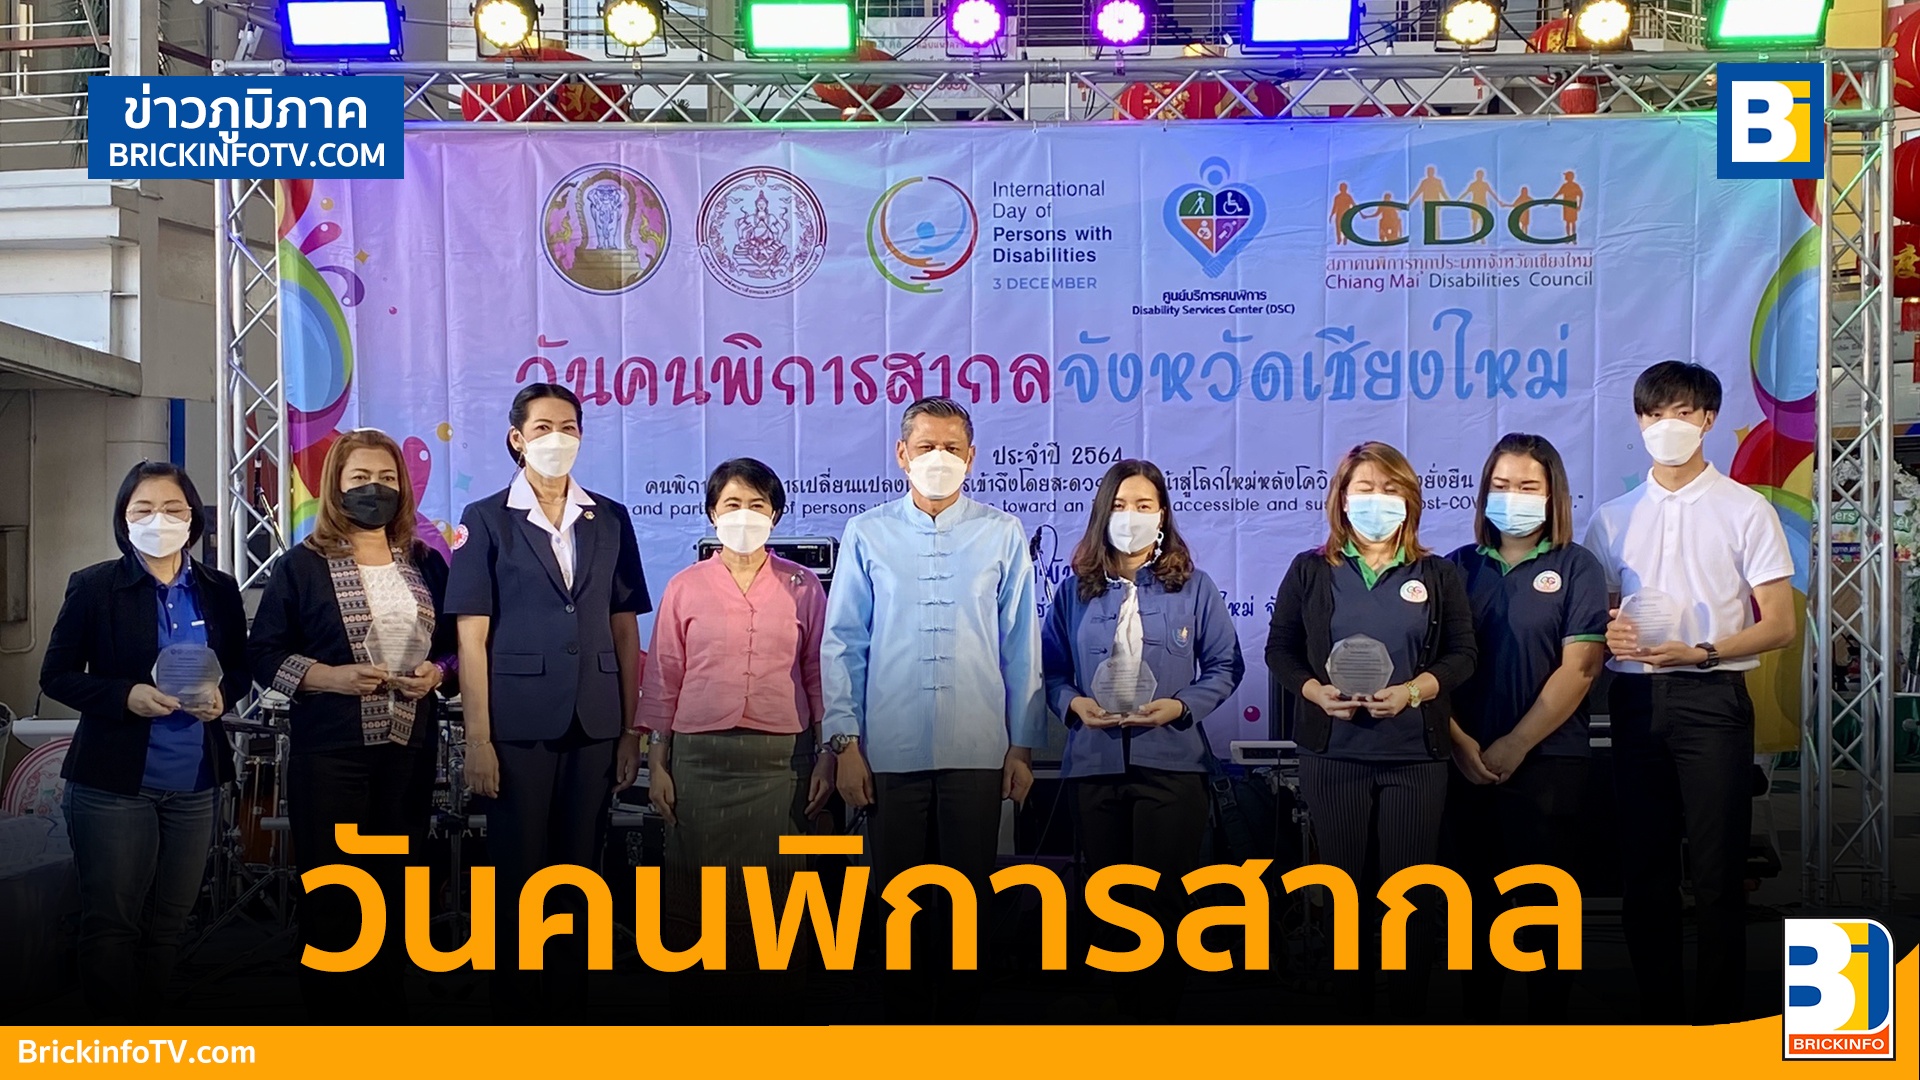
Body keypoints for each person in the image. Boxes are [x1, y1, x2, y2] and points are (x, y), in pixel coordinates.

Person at [820, 395, 1045, 1021]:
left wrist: (1022, 747)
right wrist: (845, 745)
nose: (938, 458)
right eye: (926, 447)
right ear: (902, 454)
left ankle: (962, 1031)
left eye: (952, 448)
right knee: (899, 904)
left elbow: (1021, 646)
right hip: (889, 749)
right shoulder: (868, 532)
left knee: (967, 902)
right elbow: (842, 644)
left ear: (972, 457)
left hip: (978, 748)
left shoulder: (1001, 531)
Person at [1584, 361, 1795, 1024]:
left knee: (1716, 872)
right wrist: (1612, 633)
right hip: (1635, 702)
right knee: (1644, 872)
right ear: (1639, 421)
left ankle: (1717, 1019)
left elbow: (1780, 625)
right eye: (1653, 414)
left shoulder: (1746, 509)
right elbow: (1600, 618)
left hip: (1713, 699)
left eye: (1680, 412)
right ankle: (1658, 1017)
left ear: (1707, 419)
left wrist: (1700, 652)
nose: (1665, 425)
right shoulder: (1611, 518)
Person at [445, 382, 650, 1021]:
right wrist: (479, 740)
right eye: (542, 428)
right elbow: (471, 639)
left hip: (595, 722)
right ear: (517, 439)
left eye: (568, 427)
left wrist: (631, 730)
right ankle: (516, 1017)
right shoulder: (485, 518)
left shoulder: (609, 517)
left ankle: (570, 1015)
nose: (557, 438)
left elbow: (625, 629)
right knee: (518, 876)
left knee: (580, 875)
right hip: (517, 726)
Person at [248, 429, 456, 1022]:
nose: (374, 488)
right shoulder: (301, 565)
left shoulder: (425, 562)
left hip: (407, 753)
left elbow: (454, 648)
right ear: (335, 485)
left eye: (387, 478)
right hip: (329, 755)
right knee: (336, 894)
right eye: (360, 478)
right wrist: (328, 677)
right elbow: (261, 654)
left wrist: (437, 674)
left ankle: (387, 1024)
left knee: (396, 890)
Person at [1264, 441, 1476, 1020]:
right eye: (1364, 488)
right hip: (1333, 754)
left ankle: (1408, 1019)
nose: (1376, 500)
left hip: (1414, 755)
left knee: (1411, 896)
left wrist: (1413, 692)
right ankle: (1350, 1021)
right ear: (1342, 498)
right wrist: (1314, 692)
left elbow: (1463, 656)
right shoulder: (1311, 570)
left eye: (1390, 488)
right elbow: (1280, 650)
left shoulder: (1438, 574)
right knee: (1342, 896)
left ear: (1409, 499)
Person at [39, 462, 248, 1022]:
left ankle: (155, 1030)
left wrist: (223, 695)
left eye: (173, 508)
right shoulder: (94, 586)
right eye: (144, 509)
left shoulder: (218, 589)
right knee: (111, 926)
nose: (160, 519)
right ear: (124, 519)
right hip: (113, 783)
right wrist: (123, 695)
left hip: (196, 781)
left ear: (193, 517)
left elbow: (241, 668)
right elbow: (55, 675)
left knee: (170, 924)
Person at [1040, 459, 1244, 1019]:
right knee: (1110, 902)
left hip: (1172, 766)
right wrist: (1073, 704)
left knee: (1163, 900)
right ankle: (1121, 1019)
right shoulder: (1074, 592)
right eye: (1120, 505)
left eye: (1144, 506)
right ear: (1102, 515)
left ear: (1162, 516)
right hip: (1094, 766)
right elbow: (1052, 671)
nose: (1131, 516)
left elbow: (1225, 665)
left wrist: (1181, 706)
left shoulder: (1194, 588)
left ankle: (1159, 1019)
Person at [637, 457, 831, 1015]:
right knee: (699, 890)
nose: (744, 515)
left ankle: (773, 1016)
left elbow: (819, 674)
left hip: (781, 762)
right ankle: (702, 1015)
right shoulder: (685, 586)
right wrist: (658, 762)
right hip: (699, 761)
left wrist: (828, 754)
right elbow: (664, 675)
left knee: (775, 891)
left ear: (775, 515)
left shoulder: (802, 586)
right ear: (711, 513)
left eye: (757, 505)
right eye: (732, 504)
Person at [1444, 434, 1608, 1022]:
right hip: (1465, 761)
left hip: (1549, 762)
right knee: (1471, 909)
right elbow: (1432, 669)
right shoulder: (1455, 568)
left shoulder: (1576, 566)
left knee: (1544, 909)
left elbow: (1580, 667)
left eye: (1527, 486)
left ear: (1552, 494)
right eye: (1501, 485)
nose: (1512, 496)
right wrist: (1461, 744)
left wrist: (1516, 743)